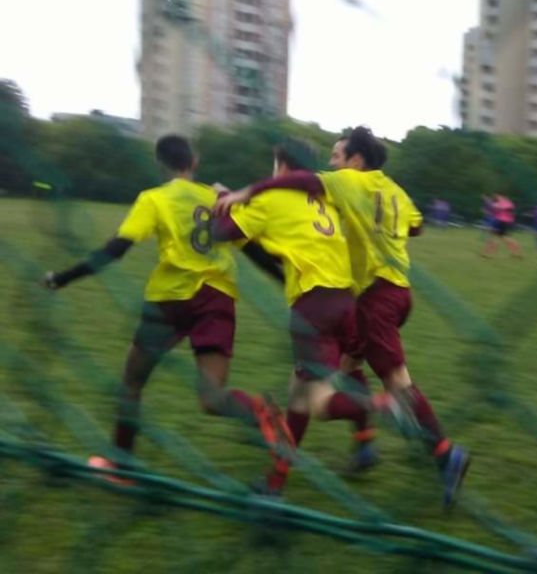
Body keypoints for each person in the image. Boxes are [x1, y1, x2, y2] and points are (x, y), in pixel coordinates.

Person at [215, 128, 471, 506]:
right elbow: (416, 226)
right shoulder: (393, 189)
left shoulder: (348, 183)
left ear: (355, 161)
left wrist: (245, 192)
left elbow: (302, 180)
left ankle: (442, 450)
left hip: (371, 297)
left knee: (389, 386)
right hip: (393, 291)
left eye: (337, 156)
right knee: (329, 377)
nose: (331, 163)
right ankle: (302, 469)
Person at [42, 135, 288, 480]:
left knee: (132, 382)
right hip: (216, 298)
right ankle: (261, 411)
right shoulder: (218, 198)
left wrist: (64, 278)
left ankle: (121, 464)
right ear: (195, 161)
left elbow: (116, 250)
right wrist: (287, 281)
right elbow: (254, 250)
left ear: (161, 164)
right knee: (212, 397)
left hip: (169, 301)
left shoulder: (154, 199)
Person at [211, 138, 391, 497]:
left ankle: (385, 406)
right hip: (346, 300)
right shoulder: (325, 196)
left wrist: (221, 201)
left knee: (314, 401)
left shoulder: (269, 198)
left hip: (314, 307)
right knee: (312, 388)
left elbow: (221, 234)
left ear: (281, 165)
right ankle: (350, 449)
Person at [482, 193, 524, 258]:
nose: (496, 197)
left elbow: (494, 207)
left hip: (500, 222)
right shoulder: (509, 203)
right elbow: (510, 211)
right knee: (505, 238)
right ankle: (518, 253)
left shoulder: (501, 202)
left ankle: (488, 254)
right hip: (507, 222)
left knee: (494, 237)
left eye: (498, 196)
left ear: (501, 196)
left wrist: (487, 200)